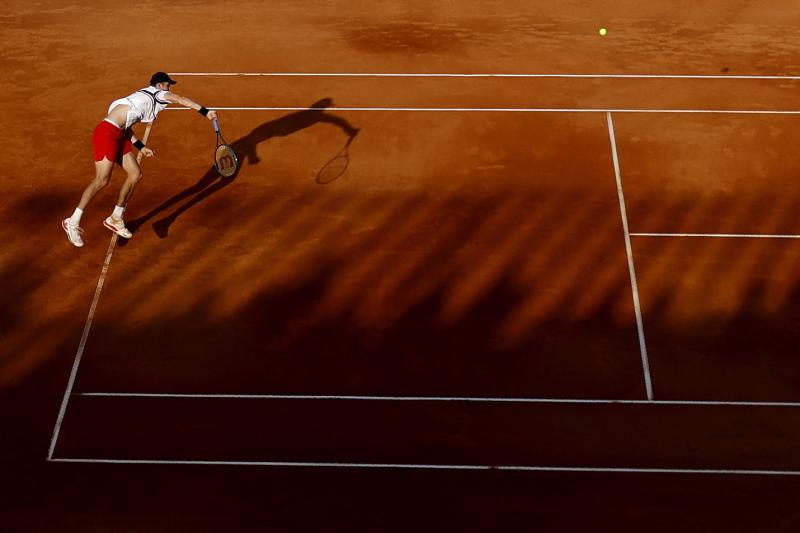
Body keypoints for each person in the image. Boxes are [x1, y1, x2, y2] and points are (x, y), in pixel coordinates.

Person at [62, 72, 218, 247]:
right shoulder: (159, 94)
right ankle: (73, 221)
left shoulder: (139, 99)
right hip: (107, 134)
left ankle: (116, 217)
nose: (170, 89)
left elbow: (126, 127)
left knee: (135, 174)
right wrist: (205, 112)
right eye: (168, 85)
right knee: (101, 180)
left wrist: (141, 147)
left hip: (119, 134)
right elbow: (181, 99)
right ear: (159, 85)